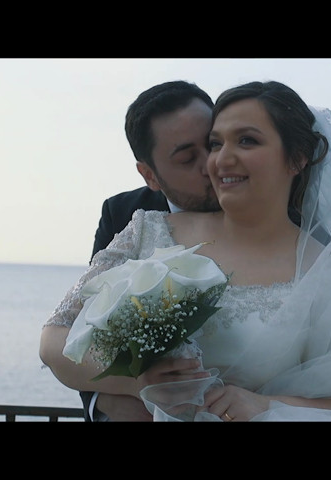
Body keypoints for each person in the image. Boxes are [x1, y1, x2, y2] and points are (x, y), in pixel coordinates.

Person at [40, 80, 331, 421]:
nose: (219, 160)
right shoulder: (147, 231)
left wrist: (265, 407)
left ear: (297, 158)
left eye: (246, 141)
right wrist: (139, 384)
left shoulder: (330, 271)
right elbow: (57, 337)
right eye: (217, 143)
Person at [49, 80, 221, 421]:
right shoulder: (127, 217)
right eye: (188, 158)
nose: (212, 165)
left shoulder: (284, 215)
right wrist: (124, 389)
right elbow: (87, 329)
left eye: (214, 144)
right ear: (150, 175)